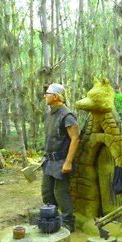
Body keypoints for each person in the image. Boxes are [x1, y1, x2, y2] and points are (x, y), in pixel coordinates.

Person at [42, 83, 79, 232]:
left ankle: (68, 223)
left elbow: (75, 139)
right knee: (46, 192)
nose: (45, 96)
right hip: (49, 161)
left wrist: (68, 162)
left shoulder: (67, 115)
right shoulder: (50, 114)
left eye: (47, 93)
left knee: (60, 192)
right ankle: (53, 220)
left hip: (61, 161)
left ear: (56, 96)